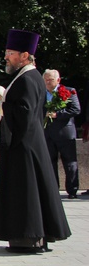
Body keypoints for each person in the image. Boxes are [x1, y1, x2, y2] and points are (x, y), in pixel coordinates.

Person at [0, 29, 71, 252]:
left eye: (10, 53)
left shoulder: (28, 78)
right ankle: (31, 237)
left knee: (26, 193)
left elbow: (23, 113)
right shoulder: (28, 76)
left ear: (24, 55)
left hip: (24, 146)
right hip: (27, 143)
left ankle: (27, 237)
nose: (6, 57)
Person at [42, 69, 80, 199]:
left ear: (58, 80)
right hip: (47, 133)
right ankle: (53, 190)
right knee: (50, 162)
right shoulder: (41, 94)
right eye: (46, 80)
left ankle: (72, 190)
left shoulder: (69, 91)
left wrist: (57, 115)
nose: (48, 82)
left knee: (70, 162)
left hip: (65, 133)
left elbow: (76, 109)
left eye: (51, 80)